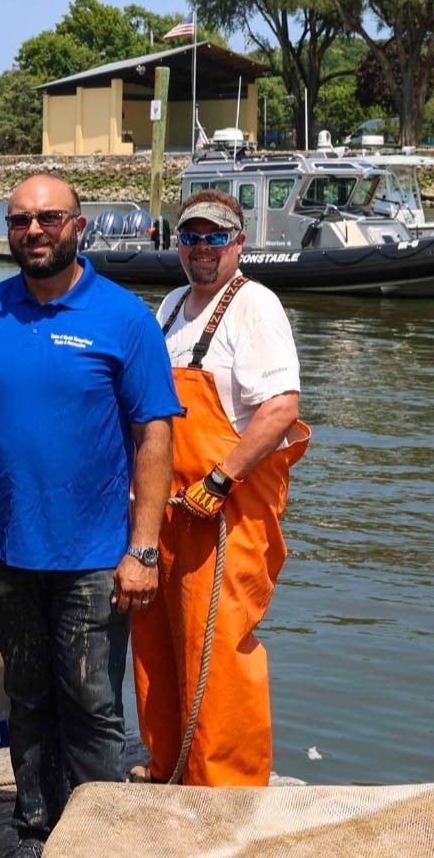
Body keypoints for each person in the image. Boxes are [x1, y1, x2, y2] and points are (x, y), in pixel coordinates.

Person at [0, 173, 181, 858]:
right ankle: (36, 831)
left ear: (79, 226)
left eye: (48, 219)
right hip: (8, 550)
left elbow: (155, 436)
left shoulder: (124, 316)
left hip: (97, 557)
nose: (34, 232)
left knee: (94, 708)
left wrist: (145, 549)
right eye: (19, 221)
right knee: (30, 698)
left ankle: (101, 839)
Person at [132, 189, 310, 786]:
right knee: (156, 642)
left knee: (218, 646)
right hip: (166, 507)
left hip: (225, 510)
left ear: (239, 241)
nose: (200, 249)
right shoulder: (173, 305)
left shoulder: (255, 306)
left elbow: (281, 407)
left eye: (214, 237)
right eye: (190, 237)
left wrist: (220, 478)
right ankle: (168, 770)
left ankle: (226, 790)